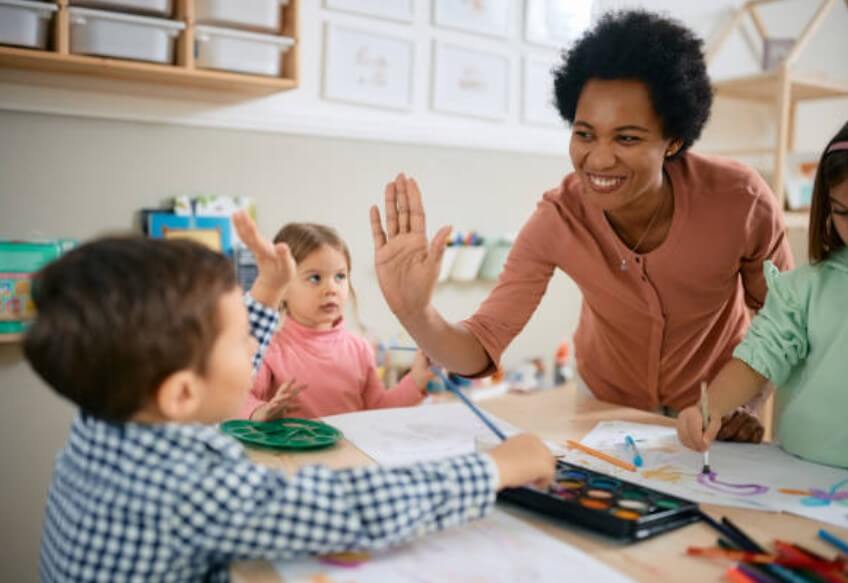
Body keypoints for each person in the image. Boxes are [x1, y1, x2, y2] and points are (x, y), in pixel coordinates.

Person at [28, 212, 555, 582]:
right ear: (182, 393)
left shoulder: (105, 424)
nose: (257, 342)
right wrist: (493, 470)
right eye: (242, 339)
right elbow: (349, 509)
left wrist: (262, 294)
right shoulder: (186, 489)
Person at [369, 10, 793, 441]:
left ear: (675, 141)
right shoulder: (559, 218)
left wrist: (740, 402)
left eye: (627, 138)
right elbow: (479, 347)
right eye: (585, 134)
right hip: (606, 405)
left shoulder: (740, 201)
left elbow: (783, 319)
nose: (599, 159)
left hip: (715, 407)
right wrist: (416, 312)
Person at [677, 122, 848, 468]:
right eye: (843, 212)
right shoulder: (802, 289)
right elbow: (757, 361)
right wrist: (707, 411)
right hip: (798, 473)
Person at [242, 222, 432, 421]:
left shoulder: (360, 348)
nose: (331, 288)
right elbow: (241, 398)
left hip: (352, 451)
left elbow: (377, 409)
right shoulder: (269, 349)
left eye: (340, 276)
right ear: (283, 287)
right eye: (315, 278)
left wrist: (416, 380)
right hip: (294, 453)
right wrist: (260, 411)